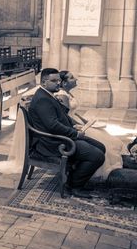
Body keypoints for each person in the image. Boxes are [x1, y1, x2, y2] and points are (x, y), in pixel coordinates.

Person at [27, 68, 105, 198]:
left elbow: (61, 115)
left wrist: (74, 126)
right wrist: (74, 134)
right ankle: (74, 186)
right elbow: (53, 125)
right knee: (97, 156)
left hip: (61, 138)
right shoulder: (43, 99)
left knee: (101, 147)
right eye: (54, 80)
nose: (58, 83)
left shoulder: (47, 94)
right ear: (44, 82)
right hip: (52, 143)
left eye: (58, 80)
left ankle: (74, 175)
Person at [56, 71, 123, 181]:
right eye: (72, 78)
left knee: (103, 133)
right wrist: (80, 125)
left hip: (75, 121)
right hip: (72, 125)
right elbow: (65, 116)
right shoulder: (62, 95)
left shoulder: (68, 93)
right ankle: (87, 171)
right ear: (64, 83)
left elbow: (73, 112)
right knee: (101, 139)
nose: (76, 79)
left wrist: (85, 121)